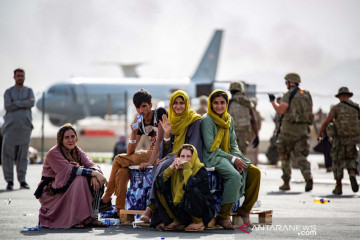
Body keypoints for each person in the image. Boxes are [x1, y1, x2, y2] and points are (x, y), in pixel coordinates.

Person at [141, 90, 202, 229]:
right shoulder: (172, 120)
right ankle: (164, 218)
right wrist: (167, 134)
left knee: (163, 167)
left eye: (181, 103)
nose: (178, 106)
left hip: (188, 157)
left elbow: (194, 146)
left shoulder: (194, 120)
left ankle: (151, 208)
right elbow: (168, 146)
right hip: (173, 156)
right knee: (160, 167)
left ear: (187, 104)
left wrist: (174, 158)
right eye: (175, 103)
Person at [101, 89, 167, 216]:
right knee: (121, 171)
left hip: (163, 153)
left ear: (150, 105)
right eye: (138, 107)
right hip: (151, 152)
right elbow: (130, 151)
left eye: (144, 106)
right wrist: (133, 132)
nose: (141, 110)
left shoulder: (159, 113)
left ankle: (107, 196)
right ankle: (120, 211)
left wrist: (149, 162)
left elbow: (159, 142)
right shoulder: (141, 122)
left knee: (118, 159)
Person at [201, 90, 261, 229]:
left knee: (254, 172)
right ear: (211, 104)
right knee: (234, 176)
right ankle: (223, 216)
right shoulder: (207, 120)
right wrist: (233, 159)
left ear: (227, 104)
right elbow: (211, 147)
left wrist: (239, 159)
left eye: (222, 103)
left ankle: (245, 210)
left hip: (228, 154)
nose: (219, 106)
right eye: (215, 103)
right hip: (213, 156)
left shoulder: (229, 119)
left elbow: (233, 144)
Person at [34, 124, 108, 228]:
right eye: (66, 137)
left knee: (94, 179)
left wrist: (95, 174)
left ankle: (93, 218)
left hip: (67, 187)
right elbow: (70, 170)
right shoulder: (53, 153)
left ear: (76, 138)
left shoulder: (77, 151)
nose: (70, 140)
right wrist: (94, 173)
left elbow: (91, 164)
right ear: (61, 140)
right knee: (80, 179)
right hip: (51, 192)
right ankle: (76, 219)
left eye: (73, 136)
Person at [152, 144, 214, 231]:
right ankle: (178, 220)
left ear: (194, 157)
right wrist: (171, 168)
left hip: (201, 211)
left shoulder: (200, 169)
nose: (185, 159)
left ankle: (198, 222)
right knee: (160, 187)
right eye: (182, 156)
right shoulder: (177, 170)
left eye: (189, 156)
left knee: (190, 188)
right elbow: (159, 182)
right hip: (184, 209)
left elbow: (190, 184)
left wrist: (187, 167)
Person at [268, 73, 314, 192]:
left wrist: (273, 102)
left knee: (285, 158)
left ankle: (286, 183)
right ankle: (308, 176)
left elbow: (281, 110)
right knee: (300, 156)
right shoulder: (306, 94)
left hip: (287, 132)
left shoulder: (288, 95)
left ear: (289, 82)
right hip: (302, 131)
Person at [317, 87, 359, 195]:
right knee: (352, 158)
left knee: (337, 162)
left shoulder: (336, 108)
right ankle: (352, 174)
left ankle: (338, 187)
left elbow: (326, 122)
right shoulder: (356, 107)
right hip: (353, 139)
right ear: (349, 96)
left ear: (339, 97)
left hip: (339, 140)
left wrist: (320, 134)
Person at [2, 68, 34, 190]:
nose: (20, 77)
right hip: (11, 128)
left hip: (25, 128)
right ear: (14, 77)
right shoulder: (8, 92)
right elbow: (8, 106)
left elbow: (31, 103)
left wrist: (17, 102)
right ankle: (9, 180)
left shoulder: (29, 90)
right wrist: (23, 103)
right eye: (18, 75)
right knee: (8, 156)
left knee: (23, 156)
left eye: (22, 75)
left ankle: (22, 180)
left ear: (24, 77)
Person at [228, 81, 259, 155]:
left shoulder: (228, 103)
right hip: (244, 132)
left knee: (231, 156)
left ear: (231, 91)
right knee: (241, 156)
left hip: (231, 133)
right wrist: (257, 136)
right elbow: (253, 120)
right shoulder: (248, 102)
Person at [245, 98, 264, 165]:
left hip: (254, 134)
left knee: (255, 149)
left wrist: (257, 133)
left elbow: (259, 122)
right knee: (248, 150)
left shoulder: (257, 113)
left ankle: (255, 163)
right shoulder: (248, 112)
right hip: (249, 134)